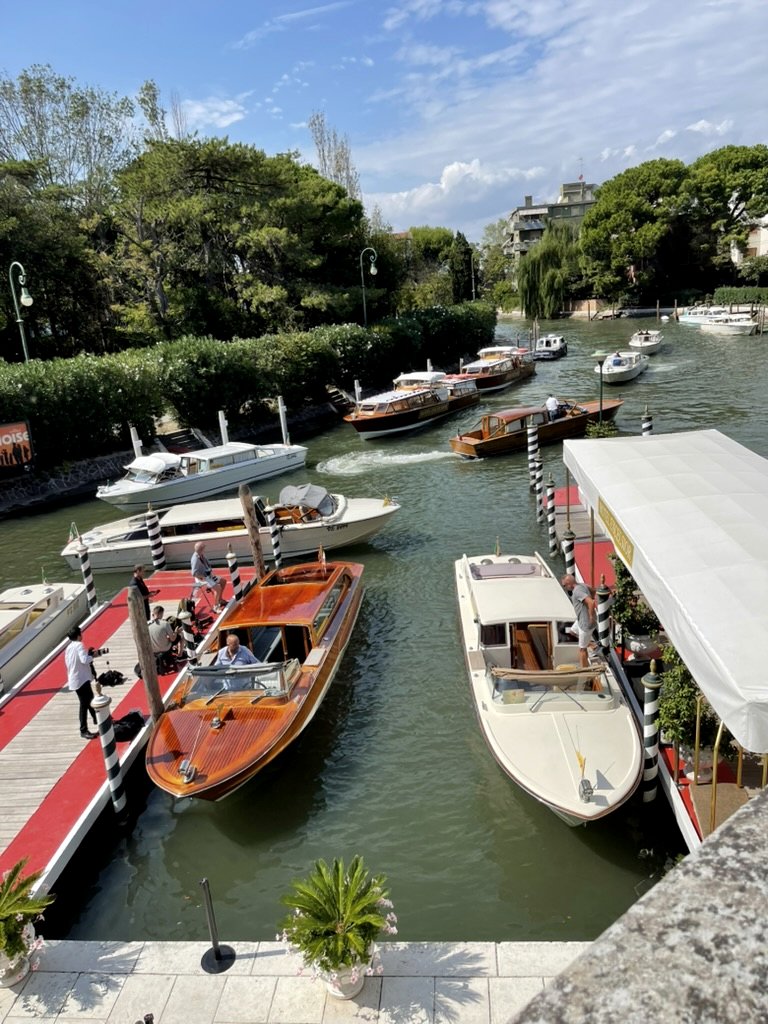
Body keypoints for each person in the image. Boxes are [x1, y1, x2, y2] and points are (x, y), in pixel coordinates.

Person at [65, 626, 98, 739]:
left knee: (89, 699)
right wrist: (92, 656)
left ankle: (96, 718)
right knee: (84, 704)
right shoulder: (79, 645)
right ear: (78, 635)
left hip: (75, 679)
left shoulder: (69, 648)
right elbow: (84, 660)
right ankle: (83, 730)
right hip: (81, 679)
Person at [561, 574, 596, 668]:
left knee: (582, 650)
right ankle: (590, 643)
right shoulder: (583, 585)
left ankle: (584, 670)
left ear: (569, 584)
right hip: (580, 620)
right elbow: (593, 590)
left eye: (564, 585)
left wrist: (591, 617)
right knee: (572, 632)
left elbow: (591, 602)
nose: (564, 588)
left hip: (585, 623)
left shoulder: (577, 592)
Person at [190, 542, 225, 611]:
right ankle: (216, 606)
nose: (205, 549)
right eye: (204, 548)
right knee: (218, 588)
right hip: (202, 578)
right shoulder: (195, 559)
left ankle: (220, 599)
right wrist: (203, 577)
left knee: (223, 581)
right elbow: (194, 573)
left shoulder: (201, 555)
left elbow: (206, 564)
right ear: (201, 549)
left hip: (208, 575)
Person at [148, 605, 180, 671]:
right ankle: (180, 654)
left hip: (153, 650)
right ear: (161, 614)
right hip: (165, 649)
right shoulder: (165, 624)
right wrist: (176, 632)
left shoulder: (147, 624)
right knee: (180, 637)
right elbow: (173, 639)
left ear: (153, 614)